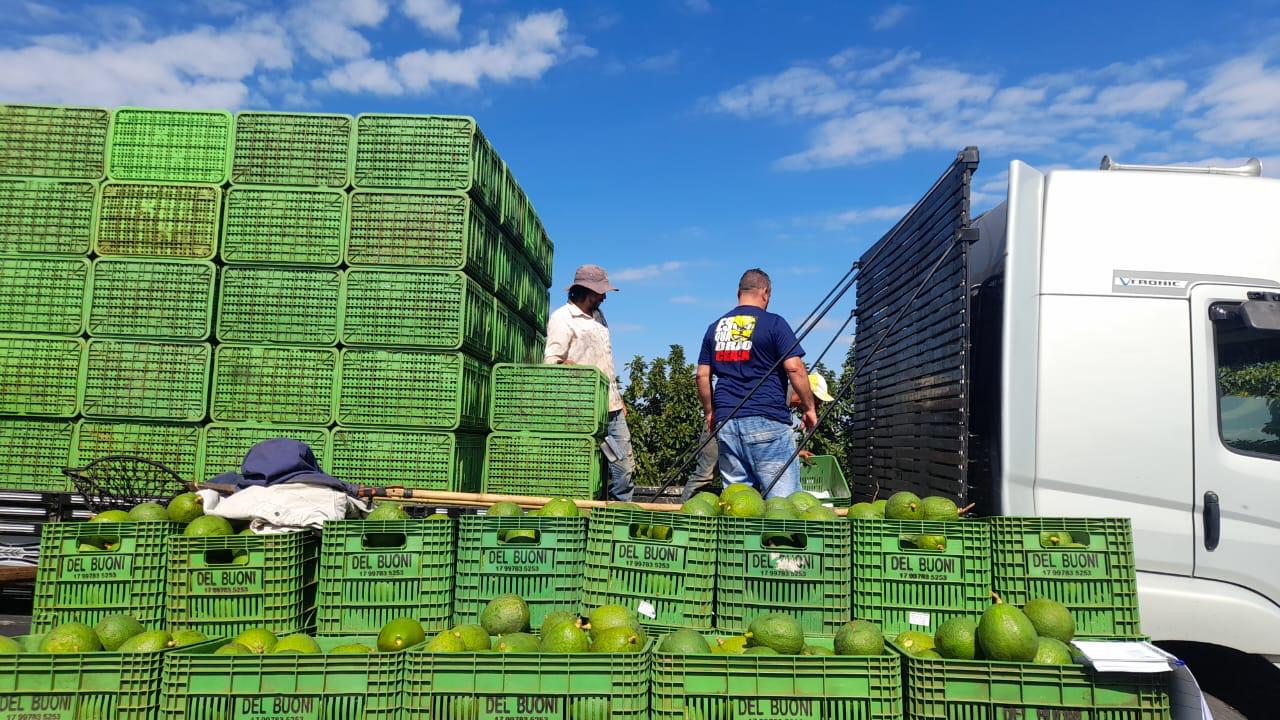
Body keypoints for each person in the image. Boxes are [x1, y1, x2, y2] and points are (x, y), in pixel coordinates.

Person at [697, 268, 818, 499]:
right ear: (765, 293)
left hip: (727, 422)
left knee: (738, 501)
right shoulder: (774, 323)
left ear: (738, 293)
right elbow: (794, 367)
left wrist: (710, 412)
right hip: (767, 418)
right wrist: (809, 407)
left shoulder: (715, 327)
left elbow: (702, 375)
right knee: (782, 503)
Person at [544, 264, 635, 501]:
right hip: (582, 410)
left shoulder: (599, 317)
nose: (604, 297)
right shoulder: (563, 318)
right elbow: (551, 362)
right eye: (601, 292)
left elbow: (606, 362)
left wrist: (618, 398)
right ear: (587, 291)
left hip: (611, 408)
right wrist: (567, 366)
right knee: (589, 469)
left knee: (623, 468)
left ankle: (620, 514)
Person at [679, 371, 833, 502]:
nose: (817, 405)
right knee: (705, 474)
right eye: (817, 400)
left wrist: (795, 452)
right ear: (807, 392)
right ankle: (683, 513)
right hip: (720, 423)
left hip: (735, 428)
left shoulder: (783, 403)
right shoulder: (778, 392)